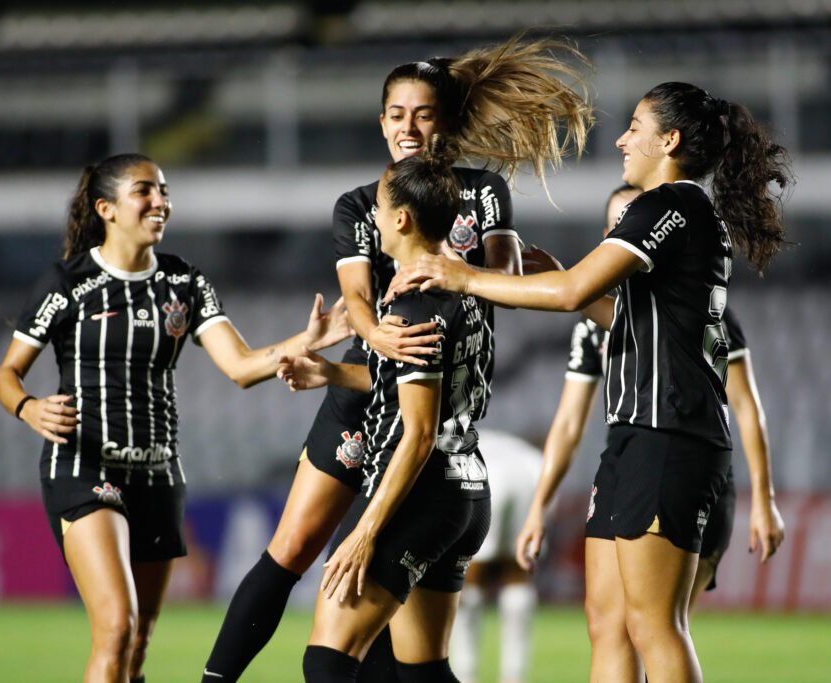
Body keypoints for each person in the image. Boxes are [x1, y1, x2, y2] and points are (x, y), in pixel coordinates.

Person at [202, 33, 594, 682]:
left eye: (423, 112)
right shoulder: (361, 205)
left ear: (444, 120)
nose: (409, 126)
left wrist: (494, 275)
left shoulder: (483, 194)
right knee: (296, 547)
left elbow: (505, 281)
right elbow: (356, 299)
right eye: (397, 114)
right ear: (381, 122)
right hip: (369, 387)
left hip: (426, 388)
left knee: (368, 604)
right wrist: (373, 337)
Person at [389, 82, 792, 682]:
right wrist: (566, 289)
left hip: (668, 435)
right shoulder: (685, 213)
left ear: (670, 140)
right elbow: (615, 312)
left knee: (654, 626)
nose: (624, 138)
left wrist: (461, 275)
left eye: (636, 125)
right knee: (607, 623)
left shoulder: (670, 205)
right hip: (637, 438)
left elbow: (573, 289)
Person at [0, 153, 351, 683]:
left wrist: (311, 340)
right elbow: (6, 374)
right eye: (145, 191)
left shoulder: (184, 281)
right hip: (85, 468)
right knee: (115, 628)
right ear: (106, 208)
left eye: (163, 191)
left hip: (158, 475)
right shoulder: (67, 281)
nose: (160, 201)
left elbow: (242, 367)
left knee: (136, 646)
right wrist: (28, 407)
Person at [514, 184, 785, 681]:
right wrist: (538, 505)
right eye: (618, 226)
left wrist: (764, 498)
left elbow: (746, 406)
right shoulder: (594, 324)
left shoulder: (700, 308)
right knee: (612, 627)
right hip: (631, 455)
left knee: (655, 626)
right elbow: (569, 422)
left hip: (680, 460)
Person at [277, 135, 489, 682]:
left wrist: (367, 529)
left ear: (400, 221)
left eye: (379, 205)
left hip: (412, 495)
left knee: (326, 662)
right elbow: (423, 388)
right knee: (423, 673)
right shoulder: (468, 289)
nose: (371, 213)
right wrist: (328, 372)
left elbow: (417, 432)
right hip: (464, 485)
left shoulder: (415, 303)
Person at [449, 429, 542, 683]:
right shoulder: (522, 446)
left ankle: (465, 673)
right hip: (530, 468)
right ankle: (514, 674)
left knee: (470, 574)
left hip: (481, 468)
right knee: (518, 571)